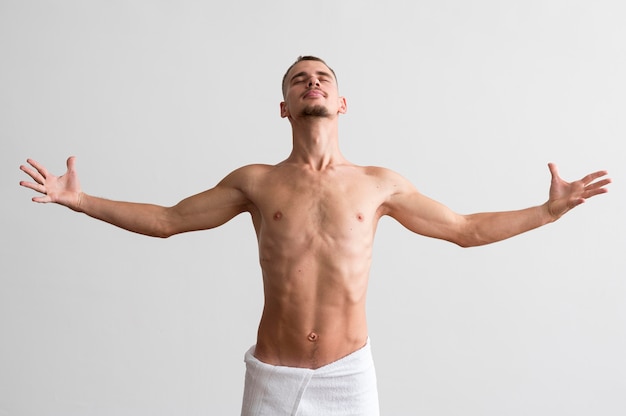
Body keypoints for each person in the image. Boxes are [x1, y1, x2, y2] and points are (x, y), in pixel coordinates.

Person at [19, 56, 611, 416]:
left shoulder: (379, 185)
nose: (312, 84)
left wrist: (548, 212)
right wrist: (81, 200)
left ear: (342, 101)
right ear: (283, 106)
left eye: (322, 77)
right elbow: (172, 220)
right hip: (274, 376)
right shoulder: (255, 182)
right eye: (300, 80)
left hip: (349, 375)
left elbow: (463, 229)